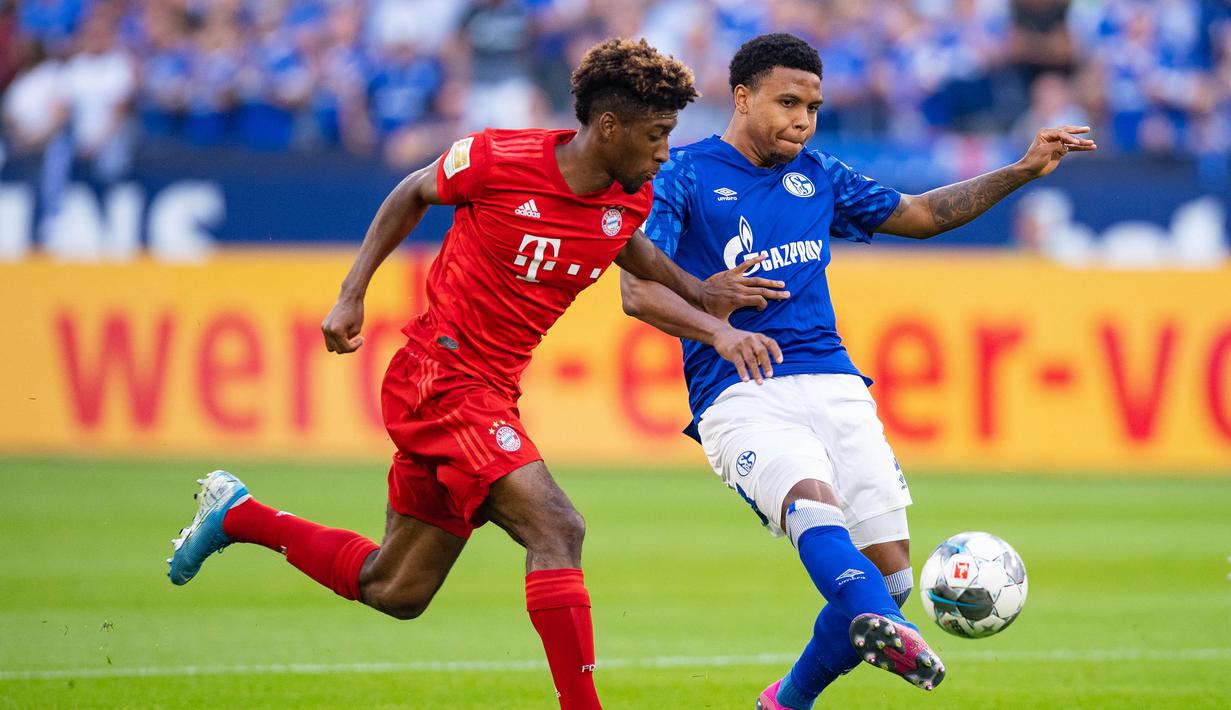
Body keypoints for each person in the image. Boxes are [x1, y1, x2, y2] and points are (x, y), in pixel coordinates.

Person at [167, 38, 785, 710]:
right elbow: (411, 191)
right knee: (558, 526)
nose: (665, 152)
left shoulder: (627, 199)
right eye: (656, 134)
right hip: (438, 378)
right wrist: (351, 293)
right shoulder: (499, 159)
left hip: (490, 394)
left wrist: (699, 290)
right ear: (609, 127)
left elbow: (625, 245)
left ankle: (240, 515)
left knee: (395, 588)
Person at [620, 32, 1095, 710]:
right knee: (812, 502)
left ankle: (787, 699)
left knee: (890, 575)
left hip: (835, 383)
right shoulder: (684, 174)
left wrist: (1020, 170)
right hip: (739, 389)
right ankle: (891, 630)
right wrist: (716, 326)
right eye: (787, 103)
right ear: (742, 97)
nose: (802, 121)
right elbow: (637, 290)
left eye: (812, 108)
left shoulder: (818, 174)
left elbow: (921, 215)